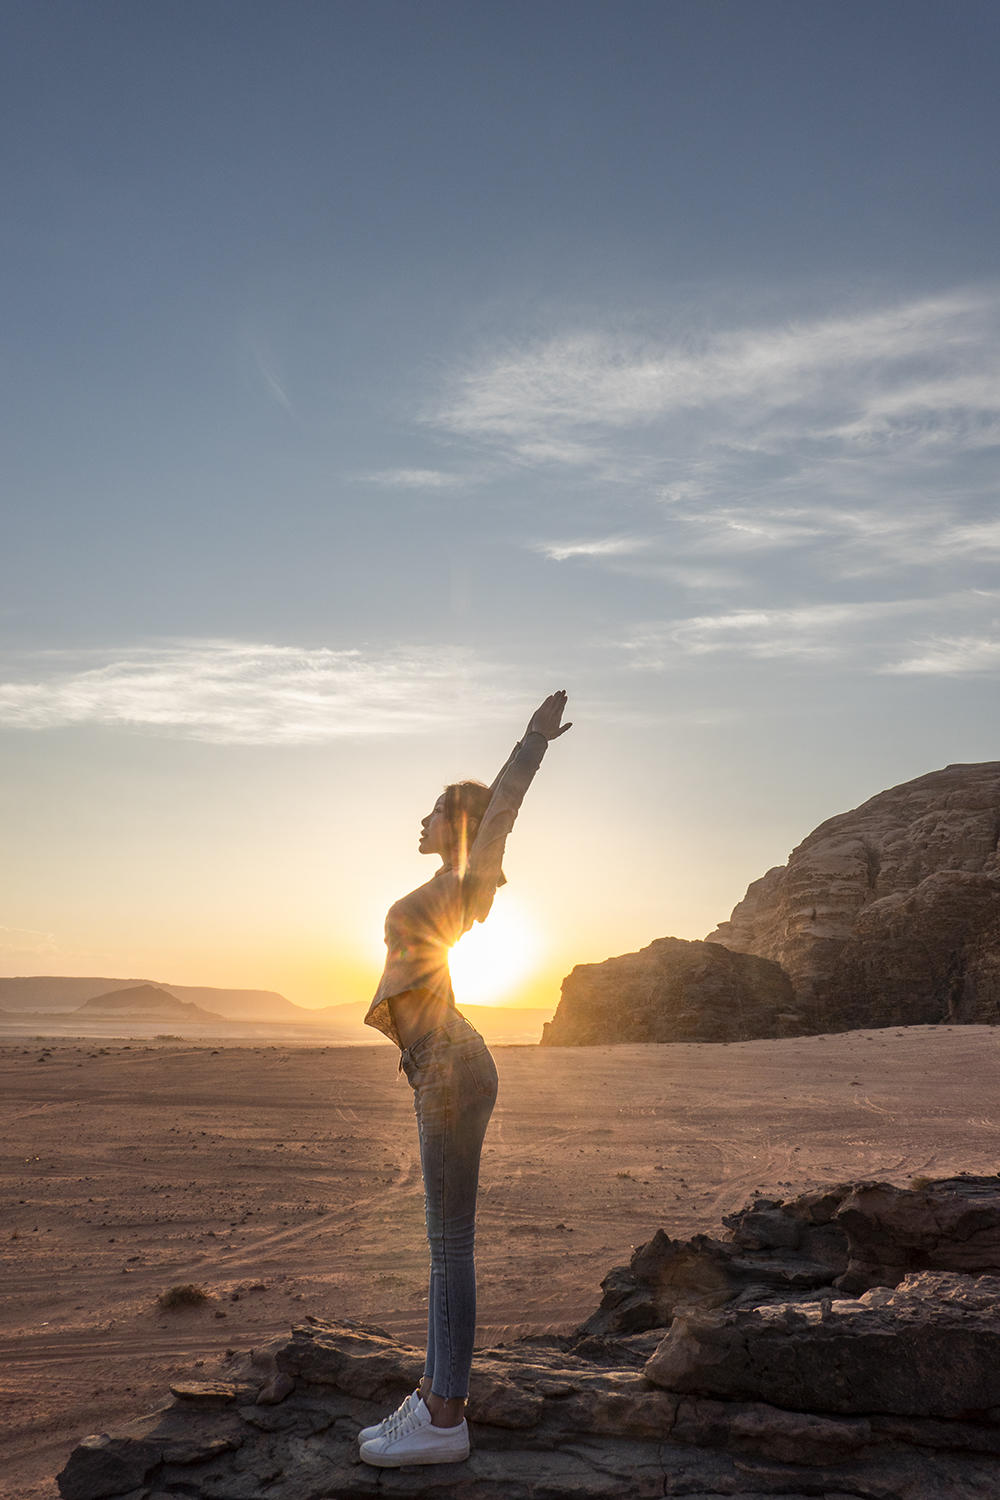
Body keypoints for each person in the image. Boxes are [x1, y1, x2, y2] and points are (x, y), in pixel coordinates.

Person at [357, 690, 572, 1468]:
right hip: (440, 1064)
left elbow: (503, 810)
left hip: (450, 1063)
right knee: (443, 1244)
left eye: (432, 811)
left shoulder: (468, 878)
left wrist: (532, 741)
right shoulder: (446, 885)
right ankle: (436, 1392)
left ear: (455, 826)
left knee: (449, 1246)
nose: (418, 821)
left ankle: (446, 1418)